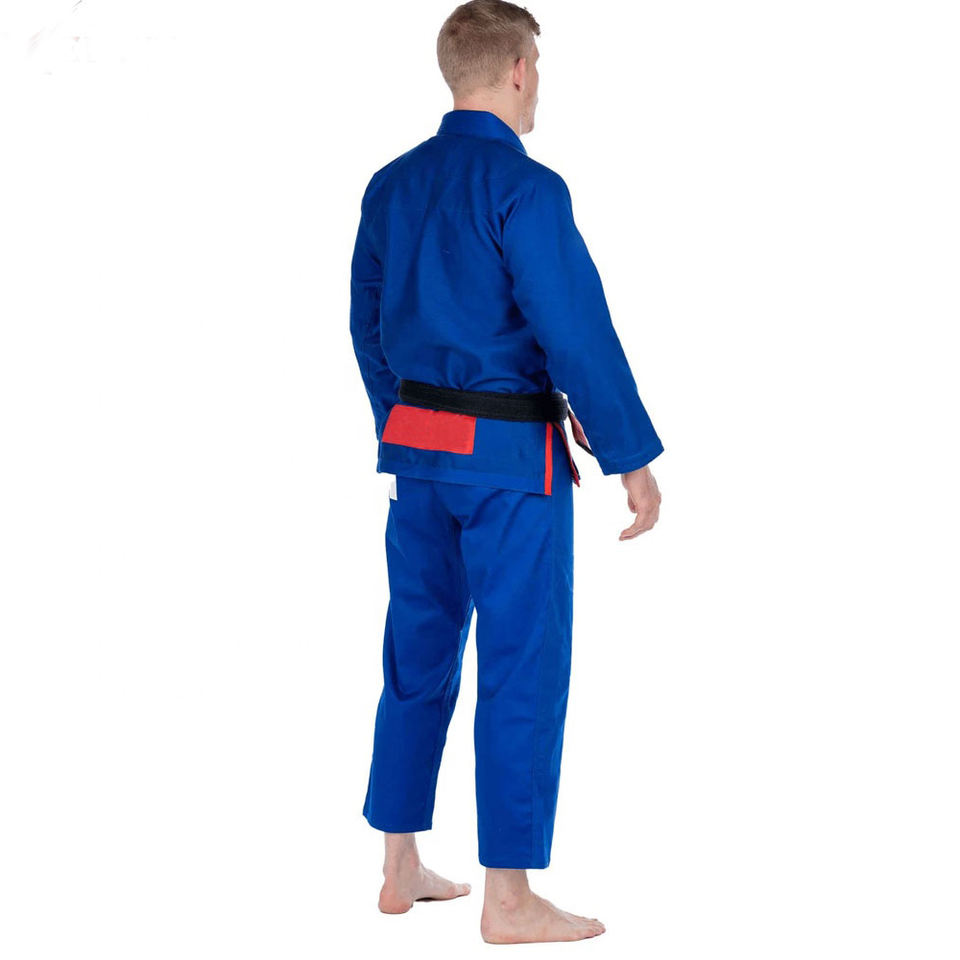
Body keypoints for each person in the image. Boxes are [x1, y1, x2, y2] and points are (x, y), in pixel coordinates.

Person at [349, 0, 663, 944]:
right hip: (511, 466)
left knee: (416, 655)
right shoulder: (526, 187)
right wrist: (630, 456)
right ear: (520, 67)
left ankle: (399, 865)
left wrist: (402, 421)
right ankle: (511, 899)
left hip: (419, 457)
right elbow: (575, 330)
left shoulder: (391, 184)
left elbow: (366, 323)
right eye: (538, 71)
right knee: (522, 666)